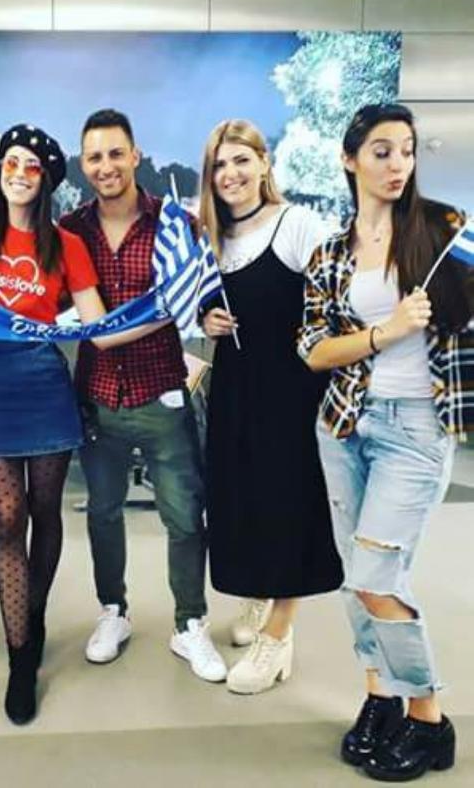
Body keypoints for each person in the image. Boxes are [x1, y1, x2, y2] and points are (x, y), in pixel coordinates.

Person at [0, 118, 162, 725]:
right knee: (7, 516)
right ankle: (21, 656)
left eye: (32, 167)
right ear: (0, 170)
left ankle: (32, 620)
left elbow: (99, 328)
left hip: (45, 385)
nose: (19, 174)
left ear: (45, 180)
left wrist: (161, 313)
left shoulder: (64, 245)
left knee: (45, 512)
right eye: (11, 163)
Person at [299, 103, 472, 782]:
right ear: (350, 160)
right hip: (345, 425)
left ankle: (429, 719)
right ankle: (380, 696)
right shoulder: (330, 253)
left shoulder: (446, 230)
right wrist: (385, 332)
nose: (398, 164)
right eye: (381, 151)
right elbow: (314, 350)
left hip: (418, 429)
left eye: (406, 150)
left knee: (376, 578)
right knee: (357, 578)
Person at [60, 109, 226, 682]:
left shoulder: (175, 223)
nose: (105, 166)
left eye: (115, 153)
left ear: (134, 155)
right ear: (83, 165)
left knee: (184, 515)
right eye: (94, 157)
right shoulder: (71, 229)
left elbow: (205, 289)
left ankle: (190, 624)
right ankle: (114, 611)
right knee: (103, 512)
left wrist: (209, 311)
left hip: (162, 392)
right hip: (97, 398)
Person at [198, 119, 342, 695]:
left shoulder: (297, 224)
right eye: (220, 164)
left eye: (241, 160)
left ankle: (279, 635)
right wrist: (206, 320)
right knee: (240, 499)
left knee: (287, 505)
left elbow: (339, 295)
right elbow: (204, 303)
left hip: (290, 392)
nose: (230, 174)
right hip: (235, 387)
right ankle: (257, 594)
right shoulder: (213, 238)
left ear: (264, 163)